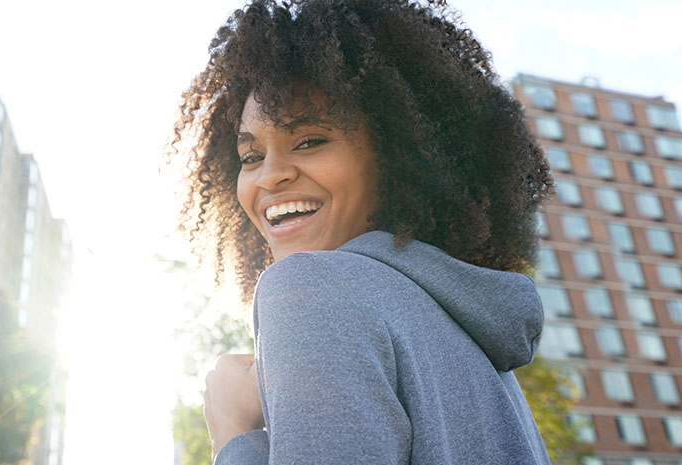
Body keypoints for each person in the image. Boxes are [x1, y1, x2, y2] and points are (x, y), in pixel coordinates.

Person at [171, 0, 556, 463]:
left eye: (310, 141)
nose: (269, 176)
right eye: (251, 156)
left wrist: (233, 435)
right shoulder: (477, 350)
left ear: (400, 157)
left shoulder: (310, 289)